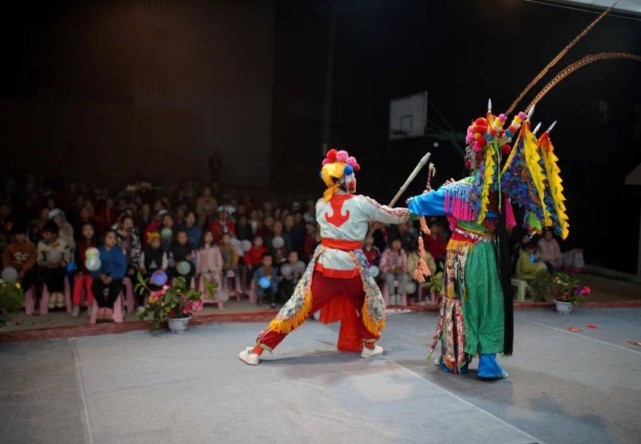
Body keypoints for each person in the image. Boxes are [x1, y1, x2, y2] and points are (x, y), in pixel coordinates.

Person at [239, 148, 409, 365]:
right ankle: (369, 346)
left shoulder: (321, 204)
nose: (354, 179)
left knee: (297, 306)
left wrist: (366, 223)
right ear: (345, 179)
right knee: (370, 302)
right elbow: (394, 216)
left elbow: (342, 227)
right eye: (352, 176)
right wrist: (416, 208)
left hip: (326, 268)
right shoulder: (361, 203)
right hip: (351, 270)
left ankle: (257, 350)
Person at [406, 112, 520, 380]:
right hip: (489, 254)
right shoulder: (500, 195)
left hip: (462, 254)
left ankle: (453, 360)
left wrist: (411, 203)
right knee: (489, 304)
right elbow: (511, 226)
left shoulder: (459, 189)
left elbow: (422, 204)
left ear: (474, 157)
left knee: (458, 304)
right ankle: (489, 365)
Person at [91, 229, 127, 319]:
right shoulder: (98, 251)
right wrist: (100, 275)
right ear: (103, 239)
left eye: (115, 238)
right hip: (101, 276)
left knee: (116, 288)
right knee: (95, 287)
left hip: (114, 277)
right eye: (110, 238)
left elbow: (122, 266)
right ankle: (101, 306)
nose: (113, 240)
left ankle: (108, 306)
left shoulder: (118, 251)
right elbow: (93, 265)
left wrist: (112, 276)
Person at [37, 221, 72, 309]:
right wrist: (46, 264)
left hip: (60, 266)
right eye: (44, 233)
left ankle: (58, 294)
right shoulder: (41, 244)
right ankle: (54, 293)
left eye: (47, 233)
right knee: (48, 273)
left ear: (54, 234)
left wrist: (61, 264)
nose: (45, 235)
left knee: (60, 272)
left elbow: (68, 257)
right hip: (47, 267)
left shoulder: (63, 243)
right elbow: (39, 259)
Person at [3, 225, 38, 299]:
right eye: (18, 235)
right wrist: (12, 273)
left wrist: (23, 271)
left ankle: (21, 294)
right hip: (13, 269)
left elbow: (32, 260)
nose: (21, 237)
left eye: (23, 234)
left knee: (30, 275)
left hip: (26, 269)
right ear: (14, 236)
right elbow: (6, 261)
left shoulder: (31, 246)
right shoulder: (10, 247)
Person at [72, 222, 97, 316]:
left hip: (92, 272)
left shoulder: (97, 244)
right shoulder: (79, 245)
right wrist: (79, 270)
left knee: (90, 284)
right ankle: (76, 305)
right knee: (78, 283)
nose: (88, 232)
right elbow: (77, 259)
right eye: (86, 230)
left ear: (94, 232)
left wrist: (94, 271)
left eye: (90, 229)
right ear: (82, 232)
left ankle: (90, 305)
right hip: (82, 272)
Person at [379, 237, 410, 306]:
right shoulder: (386, 252)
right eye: (395, 243)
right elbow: (382, 265)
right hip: (388, 272)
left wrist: (402, 270)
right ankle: (392, 296)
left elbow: (405, 265)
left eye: (398, 243)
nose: (397, 245)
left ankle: (399, 296)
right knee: (390, 277)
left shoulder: (402, 253)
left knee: (405, 277)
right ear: (391, 244)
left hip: (399, 273)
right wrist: (389, 269)